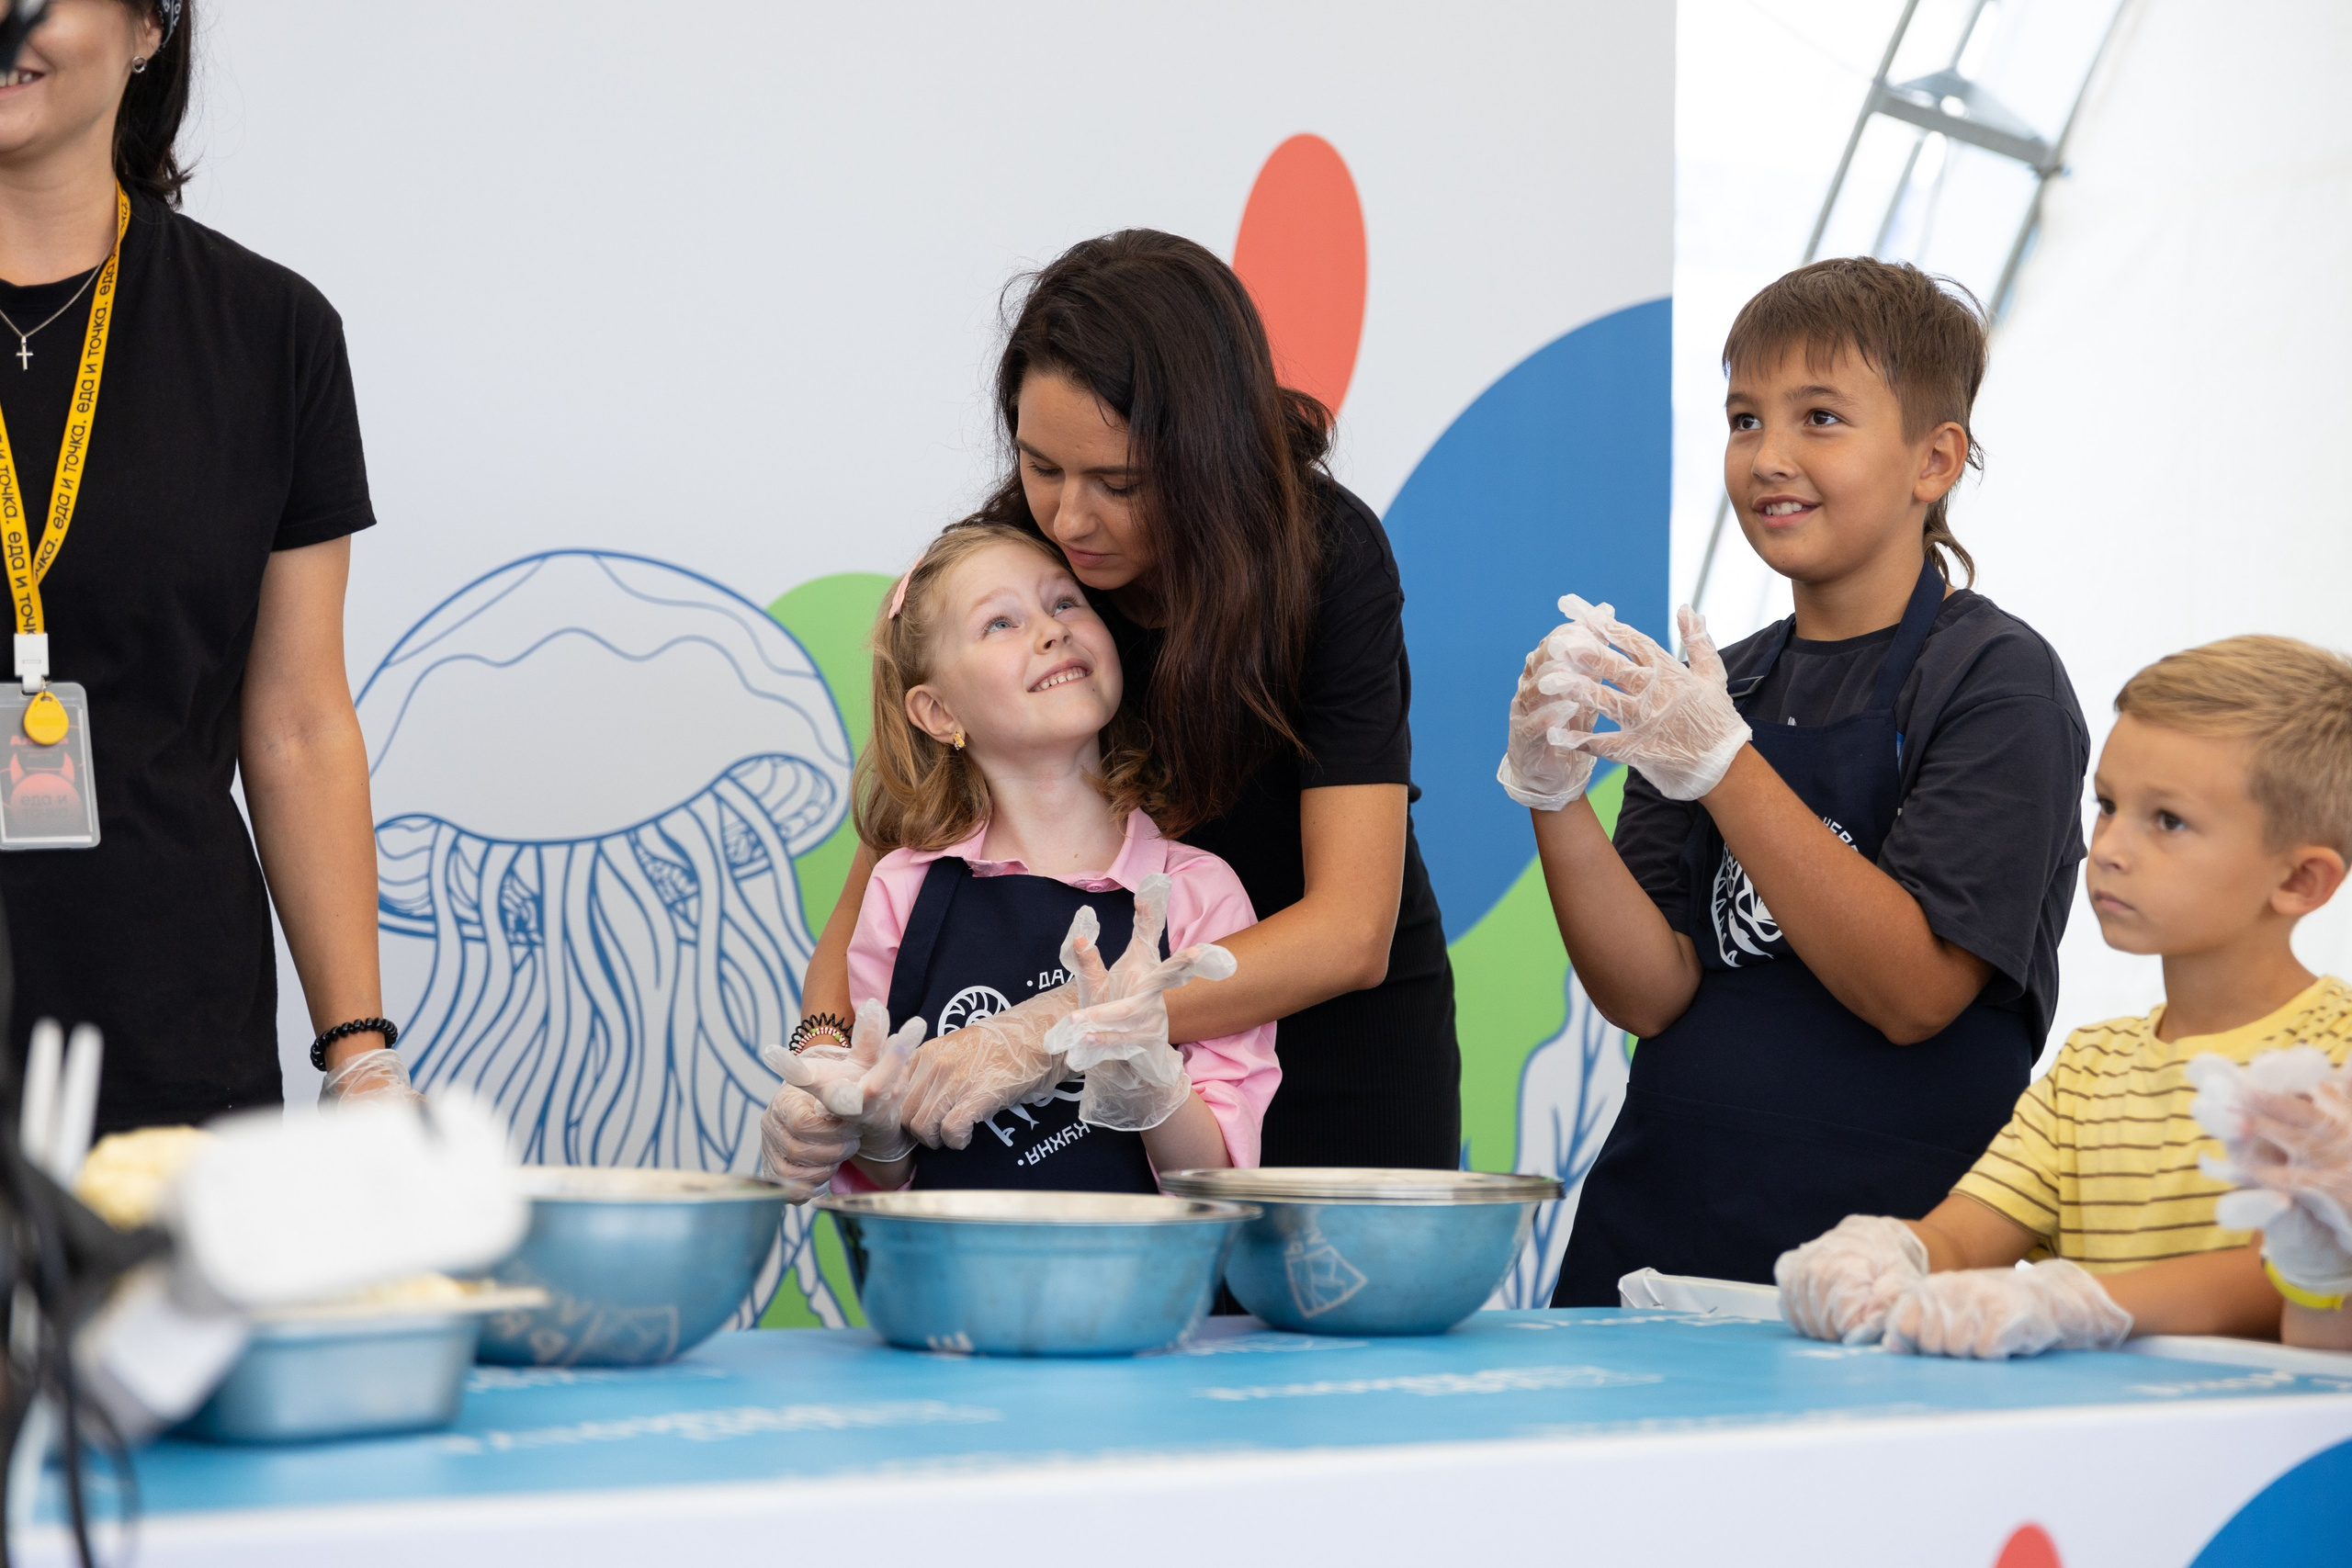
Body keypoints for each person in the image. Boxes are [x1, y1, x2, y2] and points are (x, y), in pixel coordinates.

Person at [800, 230, 1456, 1169]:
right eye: (1040, 466)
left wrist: (1053, 1028)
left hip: (1315, 1035)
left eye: (1120, 484)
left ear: (1209, 460)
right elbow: (884, 861)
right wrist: (822, 1058)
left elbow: (1351, 932)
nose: (1069, 522)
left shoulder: (1323, 555)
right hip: (1061, 1079)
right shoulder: (1013, 553)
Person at [1509, 259, 2090, 1303]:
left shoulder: (1996, 682)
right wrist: (1554, 800)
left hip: (1891, 1255)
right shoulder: (1715, 682)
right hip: (1662, 1232)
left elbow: (1911, 994)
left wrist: (1725, 766)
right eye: (1743, 420)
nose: (1768, 457)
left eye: (1819, 418)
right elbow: (1649, 991)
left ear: (1934, 459)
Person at [0, 0, 408, 1127]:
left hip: (167, 1050)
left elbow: (296, 723)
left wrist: (358, 1055)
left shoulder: (269, 333)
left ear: (148, 27)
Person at [1777, 637, 2352, 1357]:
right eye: (2108, 804)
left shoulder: (2341, 1068)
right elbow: (1965, 1232)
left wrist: (2081, 1300)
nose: (2108, 845)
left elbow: (2302, 1280)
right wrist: (1894, 1255)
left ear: (2302, 880)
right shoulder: (2087, 1070)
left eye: (2167, 820)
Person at [760, 525, 1275, 1199]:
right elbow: (891, 1177)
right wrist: (875, 1131)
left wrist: (1152, 1079)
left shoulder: (1200, 892)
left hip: (1146, 1290)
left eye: (1065, 603)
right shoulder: (902, 891)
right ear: (938, 710)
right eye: (1000, 622)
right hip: (952, 1291)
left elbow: (1214, 1180)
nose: (1051, 630)